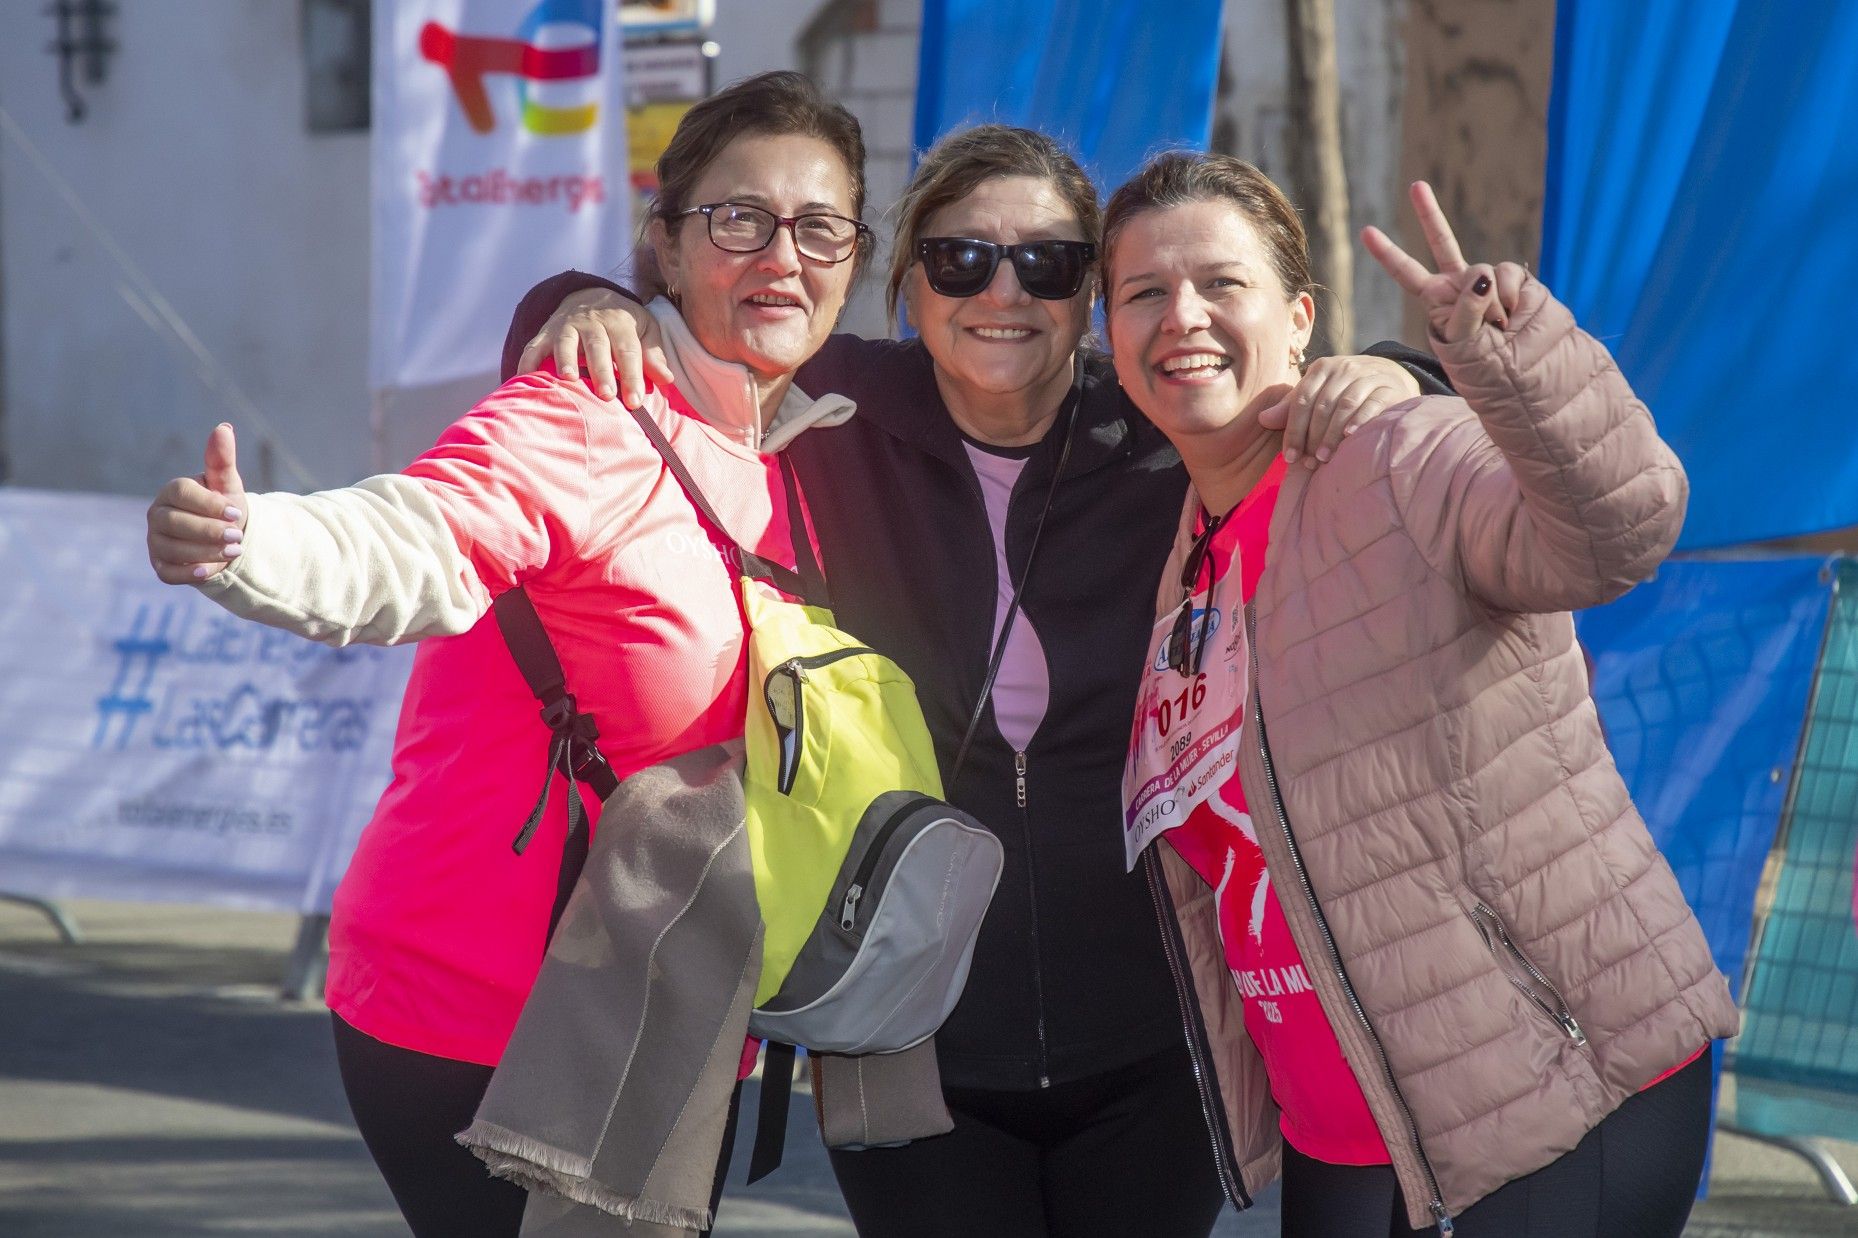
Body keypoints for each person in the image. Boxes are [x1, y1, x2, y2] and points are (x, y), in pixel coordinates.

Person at [503, 124, 1448, 1237]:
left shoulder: (1155, 426)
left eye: (1047, 264)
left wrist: (1401, 369)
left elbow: (1320, 404)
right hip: (907, 1041)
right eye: (961, 259)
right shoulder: (834, 409)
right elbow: (694, 324)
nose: (1003, 291)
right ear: (908, 284)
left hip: (1152, 1035)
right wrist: (572, 297)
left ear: (1089, 294)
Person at [143, 71, 875, 1238]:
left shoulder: (803, 451)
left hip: (673, 1006)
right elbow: (418, 534)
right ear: (666, 244)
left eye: (819, 224)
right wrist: (250, 540)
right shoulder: (587, 411)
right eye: (738, 217)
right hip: (484, 1005)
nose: (781, 253)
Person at [1100, 151, 1739, 1236]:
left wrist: (1503, 352)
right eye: (1144, 292)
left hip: (1554, 1083)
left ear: (1299, 318)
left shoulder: (1395, 454)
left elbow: (1618, 527)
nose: (1182, 316)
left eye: (1221, 282)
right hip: (1346, 1125)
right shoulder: (1185, 556)